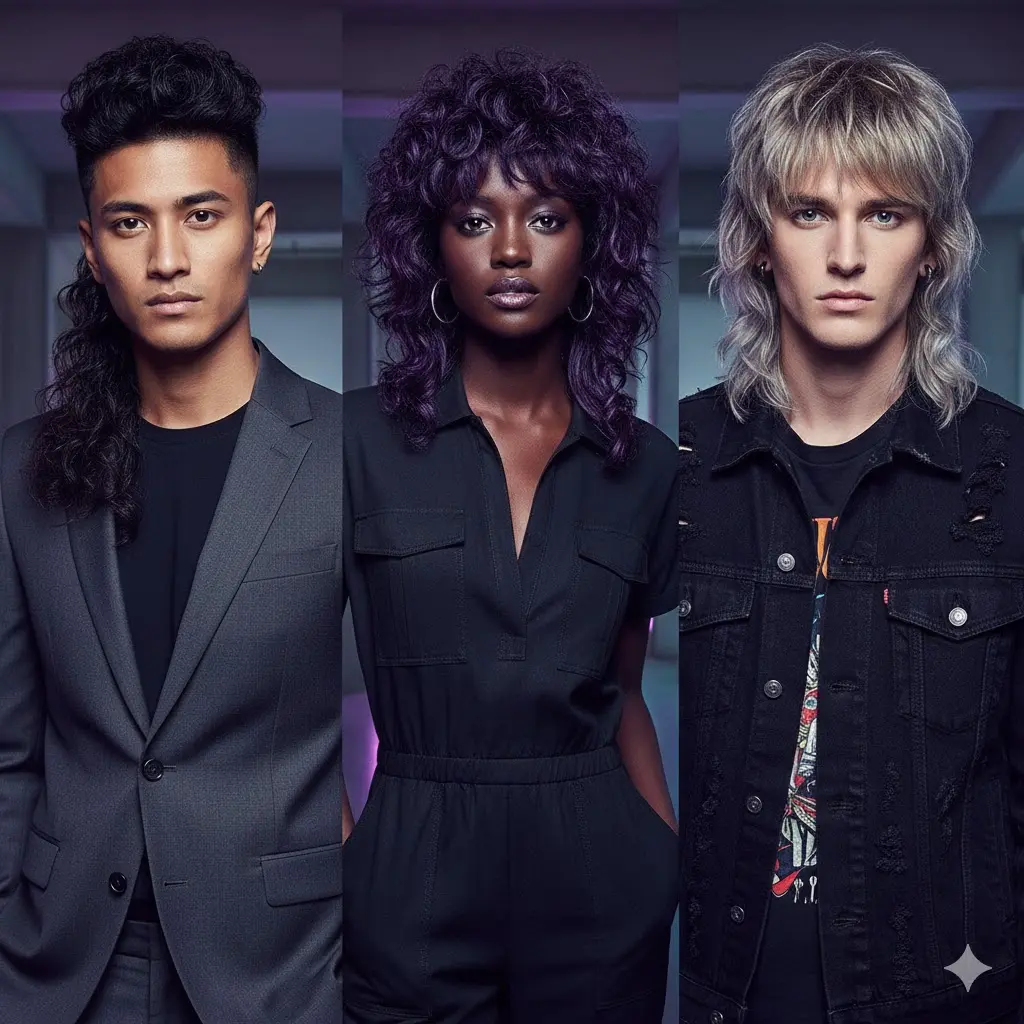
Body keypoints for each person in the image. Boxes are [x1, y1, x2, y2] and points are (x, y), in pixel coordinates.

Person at [0, 36, 343, 1024]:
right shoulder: (23, 472)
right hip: (62, 970)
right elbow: (10, 743)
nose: (166, 259)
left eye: (200, 215)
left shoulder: (346, 455)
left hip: (282, 970)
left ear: (260, 230)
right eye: (128, 222)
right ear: (92, 246)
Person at [678, 44, 1024, 1024]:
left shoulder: (1009, 472)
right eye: (808, 212)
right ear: (756, 239)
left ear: (932, 245)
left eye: (884, 213)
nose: (844, 255)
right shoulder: (680, 457)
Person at [341, 50, 679, 1024]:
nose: (510, 251)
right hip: (409, 877)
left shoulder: (649, 466)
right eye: (474, 218)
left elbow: (622, 691)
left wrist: (660, 850)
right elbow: (270, 686)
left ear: (592, 244)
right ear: (432, 245)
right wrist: (347, 856)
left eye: (545, 217)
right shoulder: (348, 443)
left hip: (599, 882)